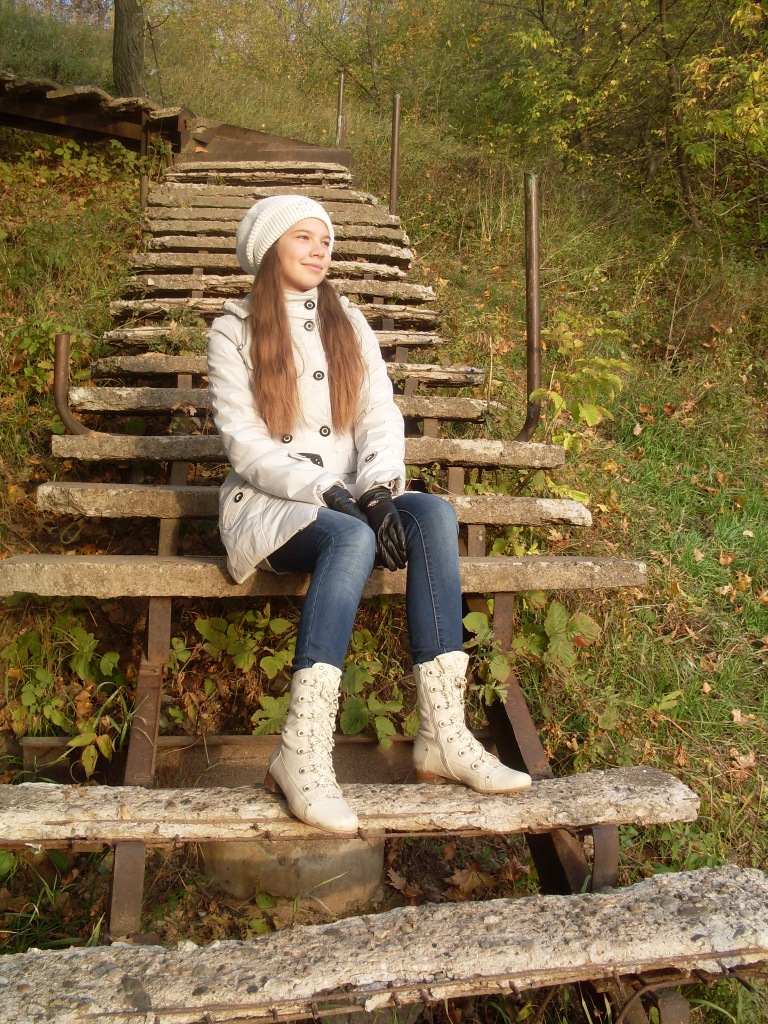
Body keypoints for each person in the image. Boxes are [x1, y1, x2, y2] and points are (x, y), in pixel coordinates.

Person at [207, 195, 531, 835]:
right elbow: (245, 445)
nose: (319, 250)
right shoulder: (233, 330)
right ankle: (301, 751)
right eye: (303, 238)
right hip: (274, 504)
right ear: (269, 250)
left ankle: (443, 734)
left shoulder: (349, 322)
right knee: (352, 537)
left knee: (433, 513)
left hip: (354, 494)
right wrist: (329, 491)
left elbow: (381, 415)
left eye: (325, 240)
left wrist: (379, 489)